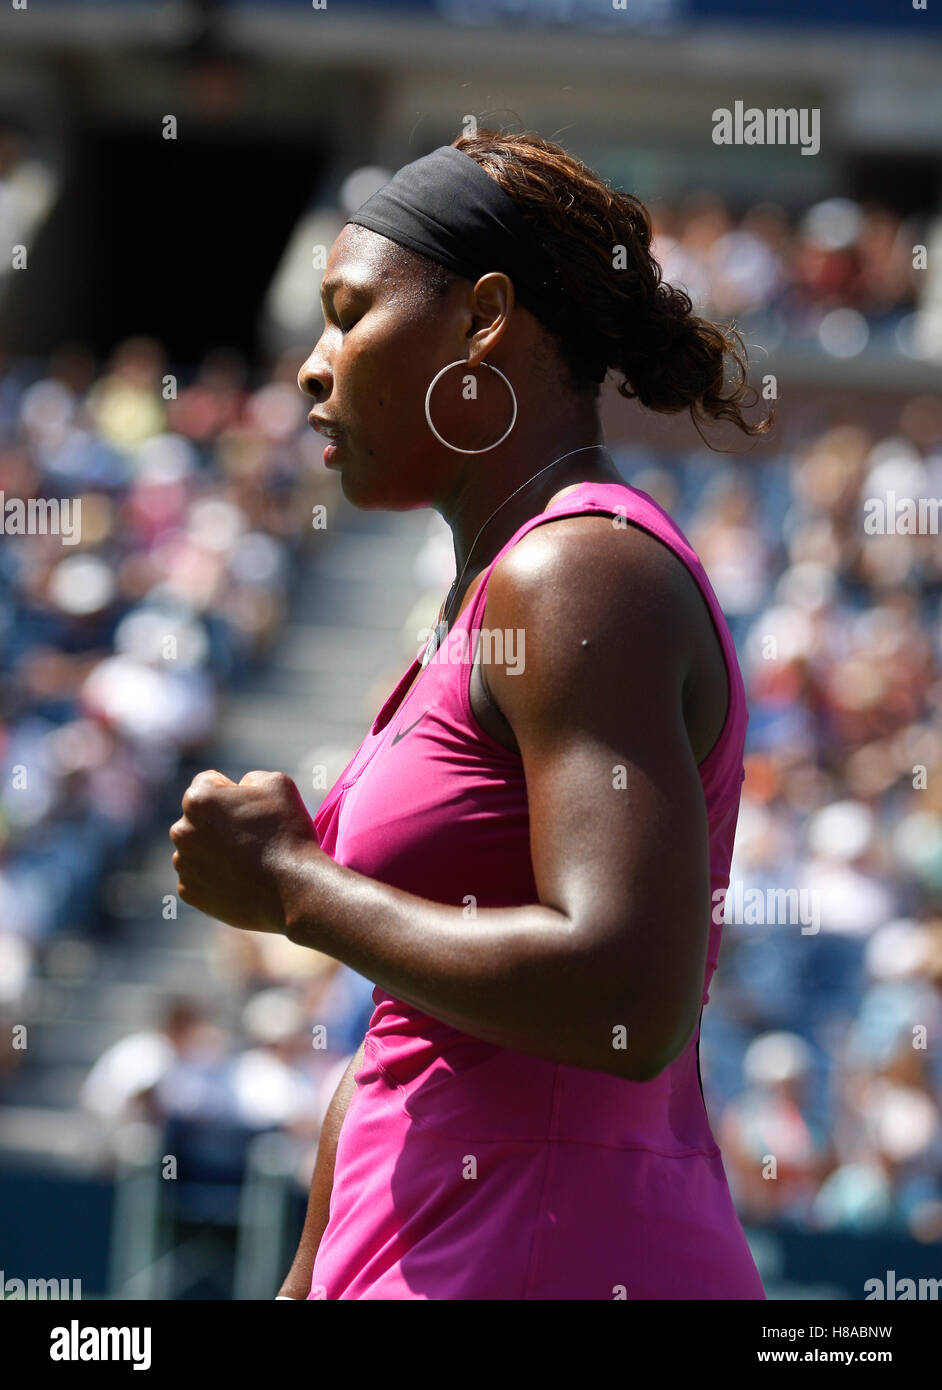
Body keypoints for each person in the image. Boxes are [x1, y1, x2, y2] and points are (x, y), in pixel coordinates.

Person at [169, 130, 772, 1299]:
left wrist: (297, 888)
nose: (312, 364)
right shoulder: (487, 605)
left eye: (349, 314)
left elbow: (623, 996)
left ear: (484, 321)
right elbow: (409, 1039)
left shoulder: (582, 572)